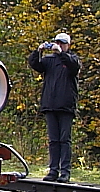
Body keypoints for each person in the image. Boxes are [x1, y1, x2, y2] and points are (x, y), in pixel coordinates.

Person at [28, 32, 81, 183]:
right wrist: (37, 51)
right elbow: (35, 64)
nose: (59, 45)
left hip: (66, 105)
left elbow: (74, 66)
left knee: (65, 140)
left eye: (62, 43)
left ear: (68, 45)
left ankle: (65, 171)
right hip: (50, 105)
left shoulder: (73, 59)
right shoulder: (49, 60)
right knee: (53, 140)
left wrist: (61, 54)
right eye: (57, 43)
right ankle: (53, 170)